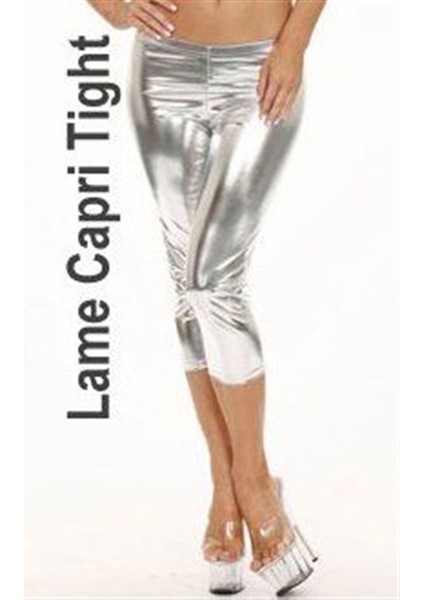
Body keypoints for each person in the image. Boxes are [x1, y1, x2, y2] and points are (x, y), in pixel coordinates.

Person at [86, 0, 326, 595]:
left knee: (210, 280)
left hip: (262, 63)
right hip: (162, 68)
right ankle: (225, 484)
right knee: (187, 283)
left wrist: (295, 42)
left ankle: (255, 482)